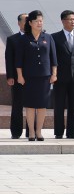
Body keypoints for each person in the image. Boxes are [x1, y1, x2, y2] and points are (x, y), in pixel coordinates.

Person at [14, 10, 58, 141]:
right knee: (30, 105)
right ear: (30, 23)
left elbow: (53, 58)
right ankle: (31, 132)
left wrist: (54, 74)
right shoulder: (24, 39)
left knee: (42, 105)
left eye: (41, 21)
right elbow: (18, 60)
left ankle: (39, 131)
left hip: (44, 77)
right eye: (37, 21)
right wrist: (20, 76)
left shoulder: (48, 38)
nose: (40, 23)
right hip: (29, 77)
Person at [52, 10, 74, 139]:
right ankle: (59, 132)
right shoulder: (54, 37)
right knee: (59, 106)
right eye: (70, 19)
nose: (73, 22)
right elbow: (52, 57)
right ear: (63, 21)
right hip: (59, 78)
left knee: (73, 106)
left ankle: (72, 132)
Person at [5, 13, 27, 139]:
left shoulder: (37, 38)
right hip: (18, 78)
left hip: (34, 77)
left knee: (33, 106)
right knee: (17, 105)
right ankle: (16, 131)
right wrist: (10, 76)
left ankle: (32, 132)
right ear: (19, 23)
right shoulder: (13, 39)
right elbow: (9, 59)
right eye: (25, 20)